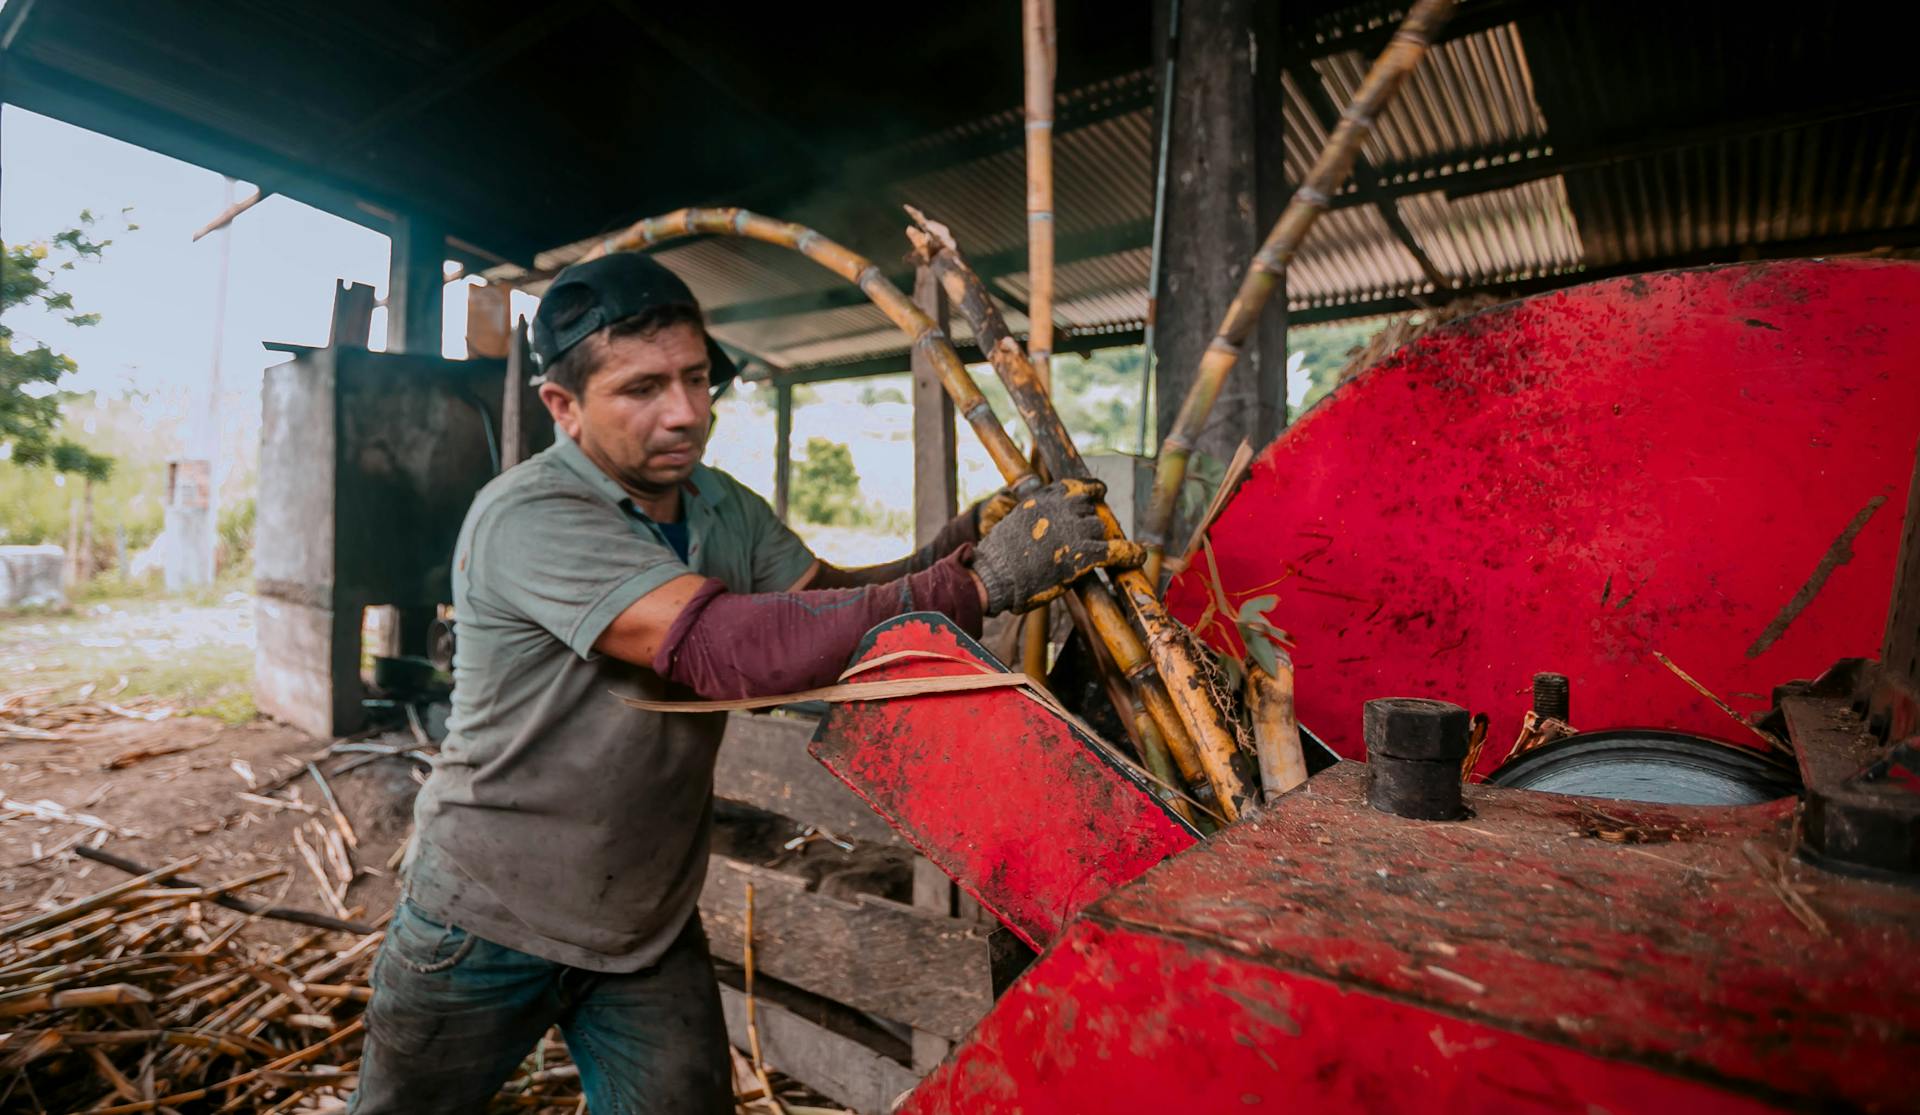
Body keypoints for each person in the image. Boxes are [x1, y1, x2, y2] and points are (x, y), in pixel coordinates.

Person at [347, 252, 1140, 1114]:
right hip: (488, 911)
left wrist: (961, 545)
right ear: (562, 407)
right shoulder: (529, 516)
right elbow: (723, 647)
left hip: (643, 923)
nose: (685, 412)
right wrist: (980, 582)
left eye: (696, 379)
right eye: (642, 388)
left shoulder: (719, 504)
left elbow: (830, 605)